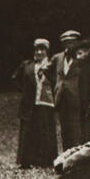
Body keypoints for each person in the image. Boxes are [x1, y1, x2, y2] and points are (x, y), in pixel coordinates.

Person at [11, 38, 57, 168]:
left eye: (42, 50)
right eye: (37, 49)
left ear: (47, 52)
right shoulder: (27, 65)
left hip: (46, 102)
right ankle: (26, 160)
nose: (39, 52)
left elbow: (57, 81)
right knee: (28, 131)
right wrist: (24, 91)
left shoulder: (52, 65)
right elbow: (15, 78)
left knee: (45, 131)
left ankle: (45, 161)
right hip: (30, 103)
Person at [50, 30, 84, 150]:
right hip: (61, 97)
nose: (69, 46)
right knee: (64, 129)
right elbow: (47, 70)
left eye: (72, 43)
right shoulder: (58, 57)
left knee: (76, 129)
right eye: (66, 43)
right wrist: (57, 85)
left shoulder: (82, 57)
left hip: (76, 97)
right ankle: (66, 156)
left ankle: (76, 157)